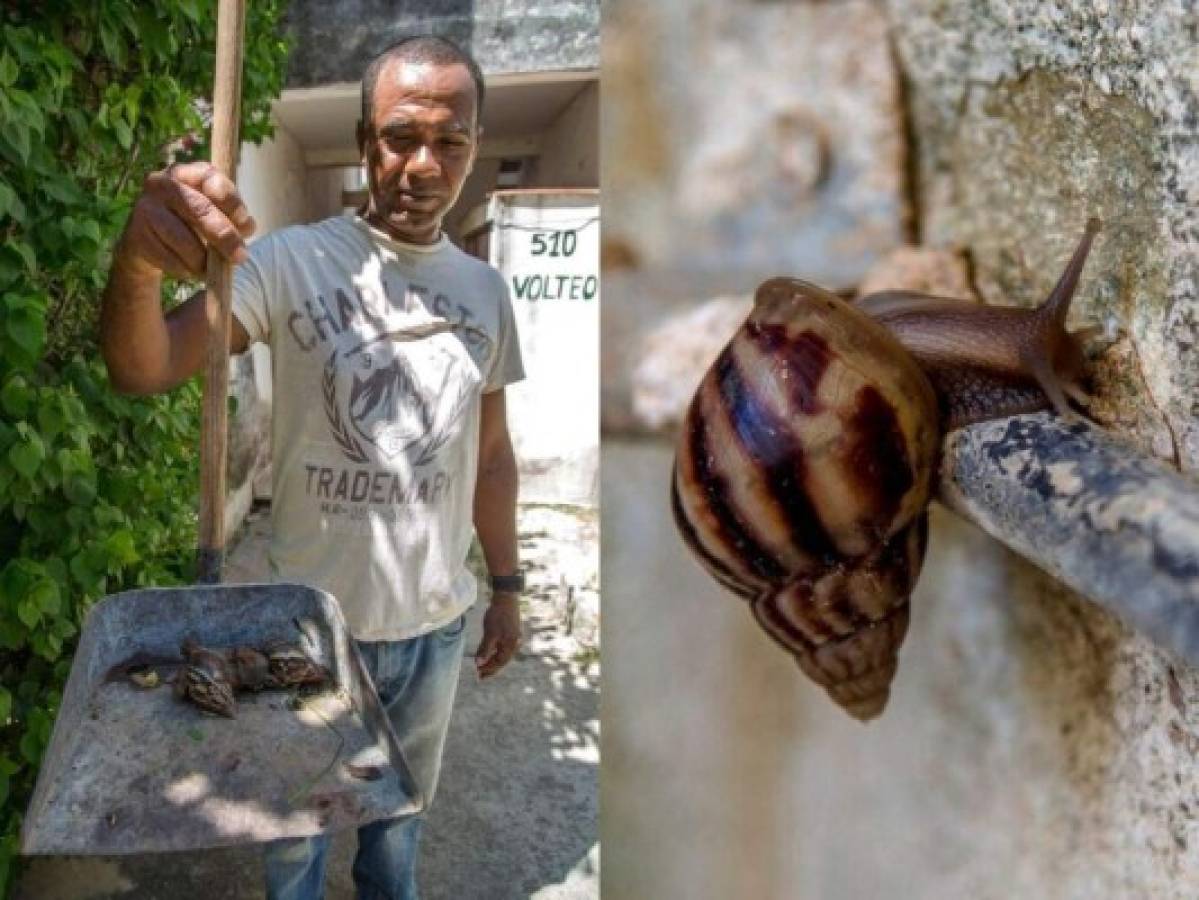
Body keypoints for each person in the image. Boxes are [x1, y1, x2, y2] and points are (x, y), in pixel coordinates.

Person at [99, 35, 525, 900]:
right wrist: (140, 264)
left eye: (451, 141)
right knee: (294, 831)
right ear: (367, 140)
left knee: (396, 828)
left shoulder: (486, 292)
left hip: (433, 631)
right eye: (401, 136)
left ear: (475, 148)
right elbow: (142, 368)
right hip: (307, 631)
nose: (423, 164)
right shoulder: (288, 265)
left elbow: (490, 453)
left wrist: (509, 583)